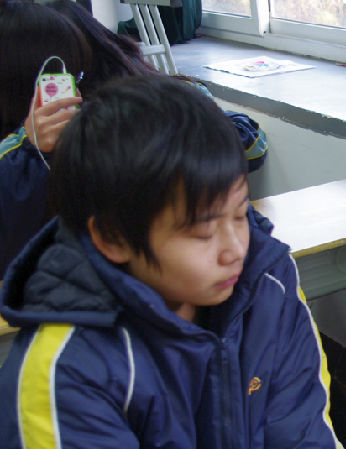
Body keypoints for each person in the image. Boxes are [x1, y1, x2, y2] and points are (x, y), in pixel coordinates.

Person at [0, 75, 346, 449]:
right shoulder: (63, 368)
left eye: (241, 213)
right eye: (202, 231)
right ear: (113, 238)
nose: (235, 248)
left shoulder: (268, 287)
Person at [0, 0, 269, 277]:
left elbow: (250, 146)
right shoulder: (29, 150)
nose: (71, 86)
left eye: (74, 74)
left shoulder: (131, 112)